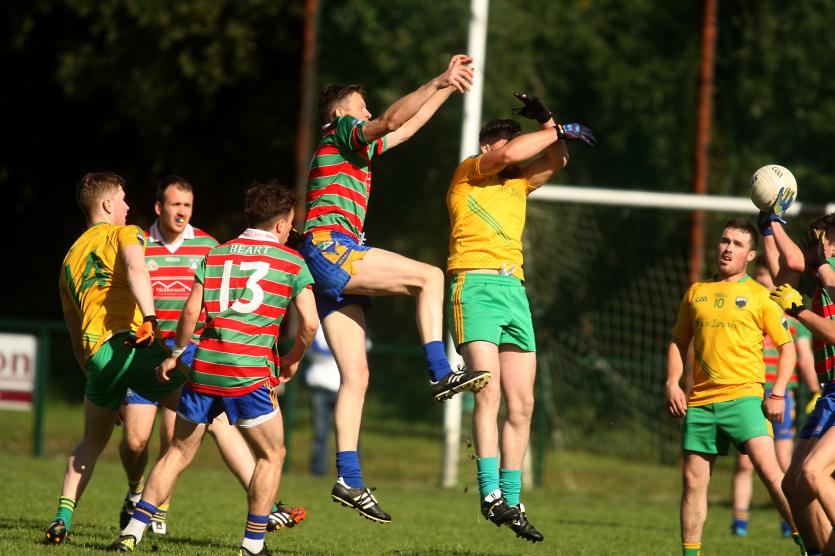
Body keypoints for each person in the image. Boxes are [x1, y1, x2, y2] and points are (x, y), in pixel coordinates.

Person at [297, 53, 490, 522]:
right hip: (331, 248)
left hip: (327, 259)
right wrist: (437, 78)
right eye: (361, 107)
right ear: (341, 113)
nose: (367, 113)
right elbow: (388, 121)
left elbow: (404, 129)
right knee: (430, 277)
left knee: (356, 377)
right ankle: (439, 370)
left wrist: (446, 88)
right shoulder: (340, 132)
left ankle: (348, 478)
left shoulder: (356, 150)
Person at [107, 182, 318, 555]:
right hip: (247, 374)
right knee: (273, 455)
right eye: (290, 223)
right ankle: (253, 545)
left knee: (177, 452)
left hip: (204, 368)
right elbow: (311, 323)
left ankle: (132, 532)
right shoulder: (291, 261)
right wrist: (294, 358)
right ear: (282, 224)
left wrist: (177, 354)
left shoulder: (216, 254)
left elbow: (191, 311)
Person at [445, 92, 594, 543]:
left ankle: (511, 500)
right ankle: (489, 492)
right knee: (486, 390)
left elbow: (558, 160)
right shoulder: (470, 172)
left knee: (522, 403)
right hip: (474, 285)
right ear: (486, 147)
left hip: (514, 290)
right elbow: (511, 153)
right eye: (506, 144)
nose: (513, 152)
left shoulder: (518, 183)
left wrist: (548, 120)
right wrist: (557, 129)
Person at [45, 171, 187, 545]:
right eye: (123, 199)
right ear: (108, 204)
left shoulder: (69, 260)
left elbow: (76, 338)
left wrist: (98, 376)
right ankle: (262, 511)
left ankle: (62, 518)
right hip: (133, 345)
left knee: (91, 441)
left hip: (97, 358)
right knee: (206, 406)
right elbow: (137, 268)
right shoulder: (125, 233)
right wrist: (150, 317)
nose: (128, 206)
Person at [665, 218, 803, 556]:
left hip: (745, 399)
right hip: (701, 402)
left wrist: (777, 393)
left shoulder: (761, 295)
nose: (728, 248)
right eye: (725, 241)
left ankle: (808, 542)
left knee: (771, 474)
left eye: (737, 244)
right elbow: (678, 340)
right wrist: (672, 382)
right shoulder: (697, 292)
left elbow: (788, 348)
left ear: (751, 255)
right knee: (692, 482)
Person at [761, 210, 835, 556]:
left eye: (821, 241)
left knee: (813, 473)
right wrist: (768, 227)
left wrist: (799, 310)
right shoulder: (822, 280)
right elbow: (783, 275)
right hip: (830, 393)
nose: (813, 247)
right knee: (793, 484)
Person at [730, 259, 818, 539]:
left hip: (781, 397)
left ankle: (790, 519)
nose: (763, 282)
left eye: (768, 277)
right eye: (760, 276)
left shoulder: (792, 320)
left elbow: (804, 358)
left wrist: (816, 391)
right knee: (745, 463)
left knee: (782, 460)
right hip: (749, 393)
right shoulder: (746, 311)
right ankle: (739, 521)